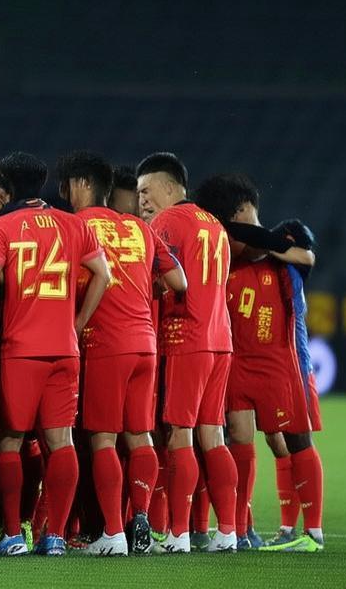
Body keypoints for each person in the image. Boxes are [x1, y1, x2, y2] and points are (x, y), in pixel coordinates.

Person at [0, 152, 111, 557]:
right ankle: (54, 536)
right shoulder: (73, 224)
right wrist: (78, 323)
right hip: (64, 348)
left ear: (8, 188)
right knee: (61, 440)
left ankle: (13, 535)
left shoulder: (1, 227)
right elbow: (103, 275)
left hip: (21, 349)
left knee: (10, 440)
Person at [57, 151, 185, 556]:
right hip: (144, 342)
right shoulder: (138, 227)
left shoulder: (77, 226)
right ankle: (140, 516)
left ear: (81, 185)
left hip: (104, 343)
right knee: (140, 435)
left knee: (103, 440)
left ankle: (112, 533)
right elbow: (178, 280)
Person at [193, 173, 324, 553]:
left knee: (291, 440)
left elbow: (306, 256)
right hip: (237, 363)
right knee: (240, 439)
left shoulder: (284, 261)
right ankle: (241, 527)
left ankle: (310, 531)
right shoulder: (226, 259)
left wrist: (255, 236)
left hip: (284, 363)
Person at [135, 152, 238, 553]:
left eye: (147, 190)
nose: (142, 200)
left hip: (186, 338)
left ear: (168, 186)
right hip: (220, 339)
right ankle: (227, 531)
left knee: (180, 433)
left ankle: (178, 534)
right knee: (213, 434)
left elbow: (160, 280)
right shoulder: (214, 224)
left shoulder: (166, 223)